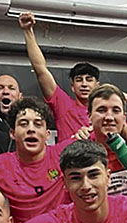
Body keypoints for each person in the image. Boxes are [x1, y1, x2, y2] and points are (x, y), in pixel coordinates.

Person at [19, 11, 100, 142]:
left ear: (97, 85)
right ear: (72, 87)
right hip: (67, 155)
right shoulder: (64, 106)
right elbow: (40, 70)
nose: (84, 84)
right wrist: (27, 31)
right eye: (79, 80)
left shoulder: (105, 114)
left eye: (89, 80)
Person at [88, 83, 127, 197]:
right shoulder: (79, 151)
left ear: (124, 118)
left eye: (116, 111)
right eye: (101, 110)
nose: (109, 117)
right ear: (89, 116)